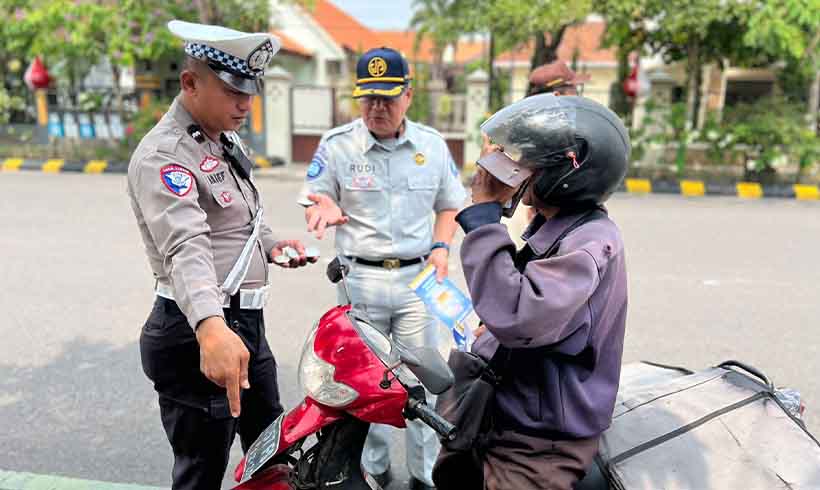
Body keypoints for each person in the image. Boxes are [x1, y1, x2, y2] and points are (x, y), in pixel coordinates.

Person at [127, 20, 315, 490]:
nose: (246, 105)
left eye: (250, 92)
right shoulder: (165, 156)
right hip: (197, 329)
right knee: (202, 470)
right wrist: (211, 328)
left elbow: (237, 218)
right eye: (233, 91)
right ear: (190, 83)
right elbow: (186, 246)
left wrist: (271, 244)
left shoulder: (219, 139)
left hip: (244, 325)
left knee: (271, 448)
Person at [434, 94, 630, 490]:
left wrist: (487, 214)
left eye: (526, 162)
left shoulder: (589, 244)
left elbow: (518, 315)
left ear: (566, 173)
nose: (512, 169)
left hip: (539, 446)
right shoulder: (560, 227)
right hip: (509, 419)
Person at [298, 47, 467, 490]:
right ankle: (373, 467)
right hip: (361, 281)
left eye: (387, 98)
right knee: (365, 384)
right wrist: (325, 205)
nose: (376, 107)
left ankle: (424, 473)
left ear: (408, 96)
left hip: (417, 280)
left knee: (421, 382)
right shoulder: (338, 145)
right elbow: (315, 195)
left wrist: (441, 248)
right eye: (368, 98)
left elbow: (450, 204)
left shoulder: (431, 146)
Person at [506, 60, 593, 246]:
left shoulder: (519, 129)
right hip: (538, 224)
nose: (577, 97)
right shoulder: (561, 134)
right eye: (573, 91)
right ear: (558, 95)